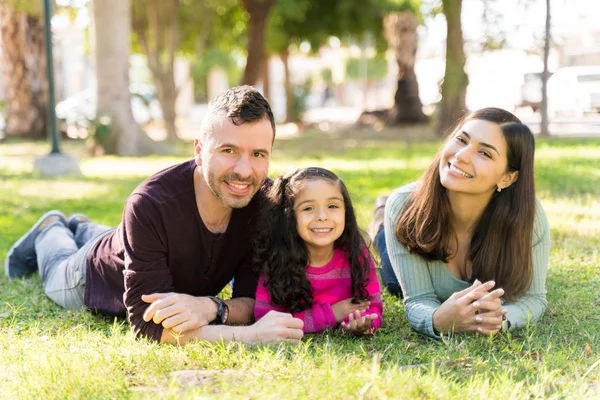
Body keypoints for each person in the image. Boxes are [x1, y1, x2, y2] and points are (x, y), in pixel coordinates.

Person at [5, 85, 304, 345]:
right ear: (199, 151)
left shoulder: (266, 204)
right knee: (58, 262)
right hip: (89, 275)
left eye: (258, 154)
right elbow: (147, 326)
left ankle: (83, 226)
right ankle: (51, 227)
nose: (243, 170)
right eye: (228, 150)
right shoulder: (149, 204)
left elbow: (256, 301)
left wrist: (212, 308)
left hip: (130, 243)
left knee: (122, 236)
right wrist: (251, 336)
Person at [371, 107, 550, 338]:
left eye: (485, 153)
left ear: (507, 178)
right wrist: (437, 320)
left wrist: (501, 319)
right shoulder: (404, 207)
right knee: (394, 280)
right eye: (461, 140)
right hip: (410, 224)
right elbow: (418, 300)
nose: (462, 155)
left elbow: (534, 298)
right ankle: (381, 218)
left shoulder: (529, 216)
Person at [253, 167, 383, 335]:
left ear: (346, 212)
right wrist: (333, 314)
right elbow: (266, 320)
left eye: (332, 206)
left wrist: (361, 321)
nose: (322, 216)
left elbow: (372, 307)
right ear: (289, 216)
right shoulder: (277, 258)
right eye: (308, 208)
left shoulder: (356, 253)